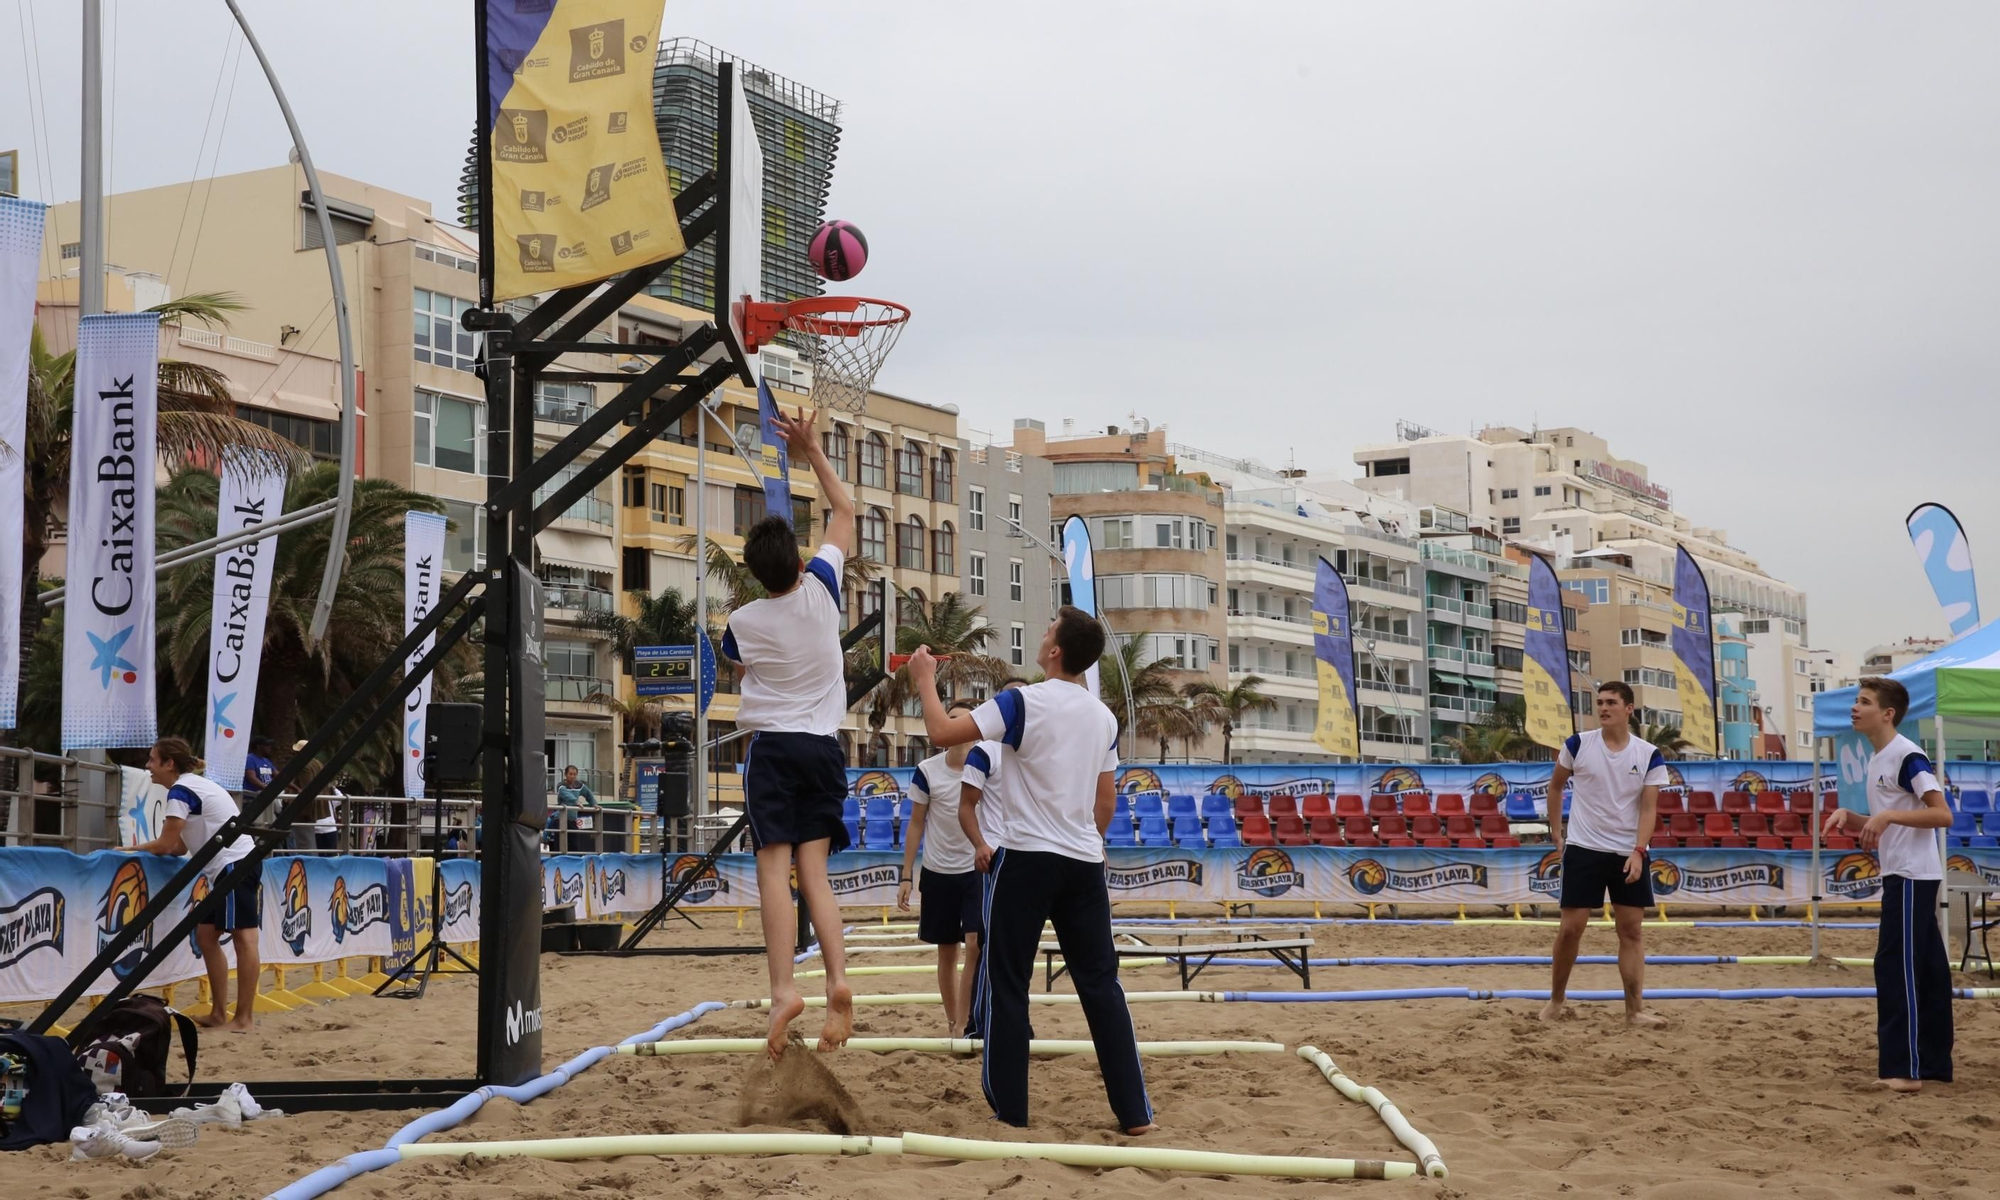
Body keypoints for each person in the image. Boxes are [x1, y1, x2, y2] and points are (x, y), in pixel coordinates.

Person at [909, 610, 1155, 1135]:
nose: (1041, 635)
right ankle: (1134, 1114)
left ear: (1056, 652)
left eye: (1047, 630)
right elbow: (1105, 802)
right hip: (1084, 860)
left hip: (1025, 858)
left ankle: (1011, 1112)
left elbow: (939, 732)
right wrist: (1083, 838)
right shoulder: (1103, 717)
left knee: (1007, 984)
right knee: (1101, 986)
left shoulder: (1023, 702)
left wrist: (924, 679)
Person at [718, 404, 856, 1059]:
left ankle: (783, 989)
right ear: (800, 562)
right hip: (825, 747)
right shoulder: (824, 589)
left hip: (773, 747)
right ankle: (837, 977)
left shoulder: (743, 621)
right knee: (817, 874)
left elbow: (735, 658)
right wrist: (812, 451)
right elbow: (846, 511)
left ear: (755, 573)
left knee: (774, 871)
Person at [1823, 676, 1954, 1092]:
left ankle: (1903, 1069)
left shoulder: (1907, 755)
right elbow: (1891, 818)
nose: (1855, 708)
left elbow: (1942, 815)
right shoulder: (1878, 758)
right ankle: (1933, 1064)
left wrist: (1887, 817)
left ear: (1888, 713)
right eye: (1855, 701)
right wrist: (1853, 816)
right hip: (1905, 873)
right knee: (1931, 972)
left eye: (1863, 702)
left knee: (1896, 969)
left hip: (1912, 876)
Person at [1540, 681, 1668, 1028]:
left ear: (1629, 708)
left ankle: (1635, 1010)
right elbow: (1555, 786)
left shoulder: (1648, 753)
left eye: (1611, 702)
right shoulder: (1579, 744)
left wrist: (1639, 852)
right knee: (1571, 929)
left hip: (1627, 851)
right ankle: (1556, 1000)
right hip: (1584, 847)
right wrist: (1556, 829)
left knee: (1631, 931)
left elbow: (1648, 809)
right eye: (1599, 702)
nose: (1603, 707)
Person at [127, 737, 259, 1033]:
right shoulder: (193, 785)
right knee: (206, 935)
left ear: (169, 764)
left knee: (245, 939)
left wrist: (124, 851)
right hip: (233, 863)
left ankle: (244, 1019)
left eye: (152, 760)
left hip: (235, 863)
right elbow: (177, 848)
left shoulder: (181, 790)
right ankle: (218, 1014)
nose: (148, 767)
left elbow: (165, 845)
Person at [895, 705, 981, 1034]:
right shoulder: (928, 770)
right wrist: (906, 876)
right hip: (937, 870)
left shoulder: (986, 764)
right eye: (953, 717)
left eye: (966, 719)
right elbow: (916, 824)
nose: (960, 724)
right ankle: (953, 1022)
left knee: (974, 944)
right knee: (948, 951)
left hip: (976, 867)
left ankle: (966, 1019)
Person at [959, 677, 1028, 1038]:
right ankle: (980, 1024)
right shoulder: (984, 750)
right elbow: (966, 807)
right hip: (996, 857)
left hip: (1033, 853)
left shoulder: (1037, 747)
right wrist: (980, 845)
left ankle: (1015, 1023)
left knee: (1020, 946)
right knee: (989, 944)